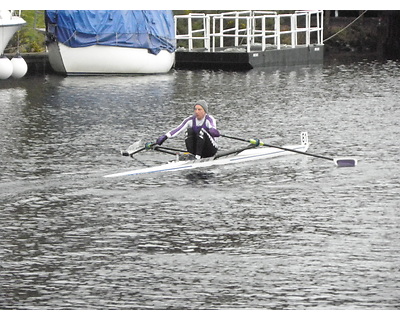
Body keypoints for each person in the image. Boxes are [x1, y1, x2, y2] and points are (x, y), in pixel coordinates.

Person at [155, 100, 220, 159]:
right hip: (198, 148)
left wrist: (213, 131)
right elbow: (177, 129)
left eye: (199, 109)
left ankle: (197, 157)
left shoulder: (209, 119)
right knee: (189, 131)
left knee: (201, 131)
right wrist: (165, 136)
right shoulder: (190, 120)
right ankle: (191, 155)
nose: (196, 112)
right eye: (195, 109)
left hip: (210, 150)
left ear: (205, 111)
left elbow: (214, 130)